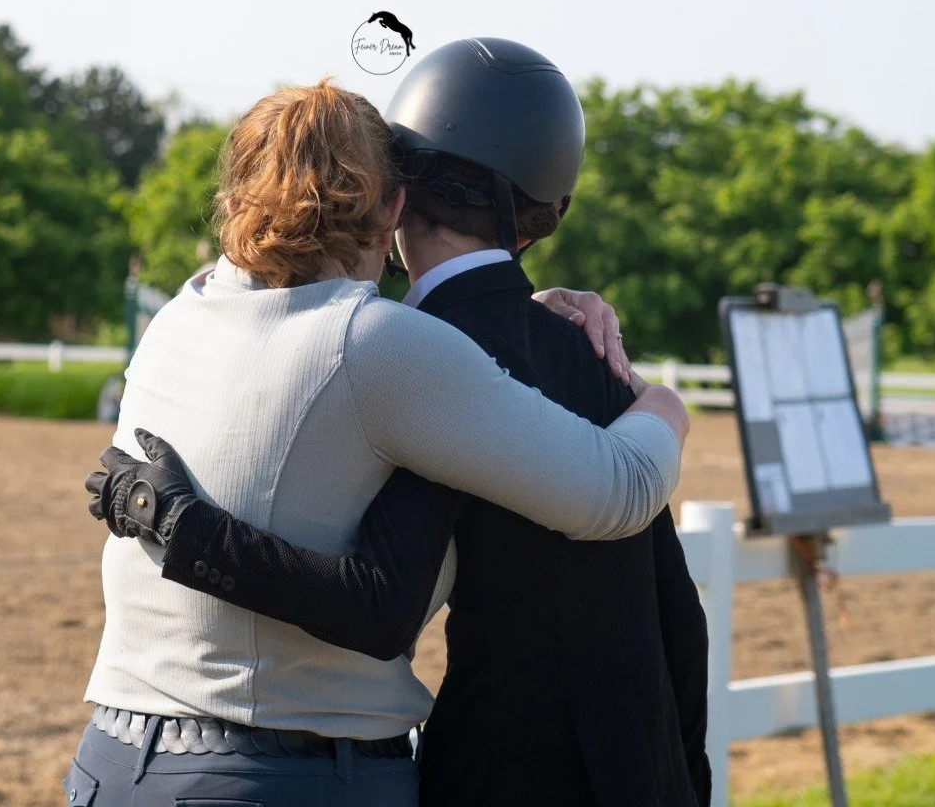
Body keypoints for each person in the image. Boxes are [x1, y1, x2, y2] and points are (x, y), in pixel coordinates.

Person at [91, 40, 711, 806]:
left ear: (405, 199)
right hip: (595, 777)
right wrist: (663, 405)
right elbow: (672, 614)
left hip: (128, 758)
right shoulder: (503, 360)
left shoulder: (192, 316)